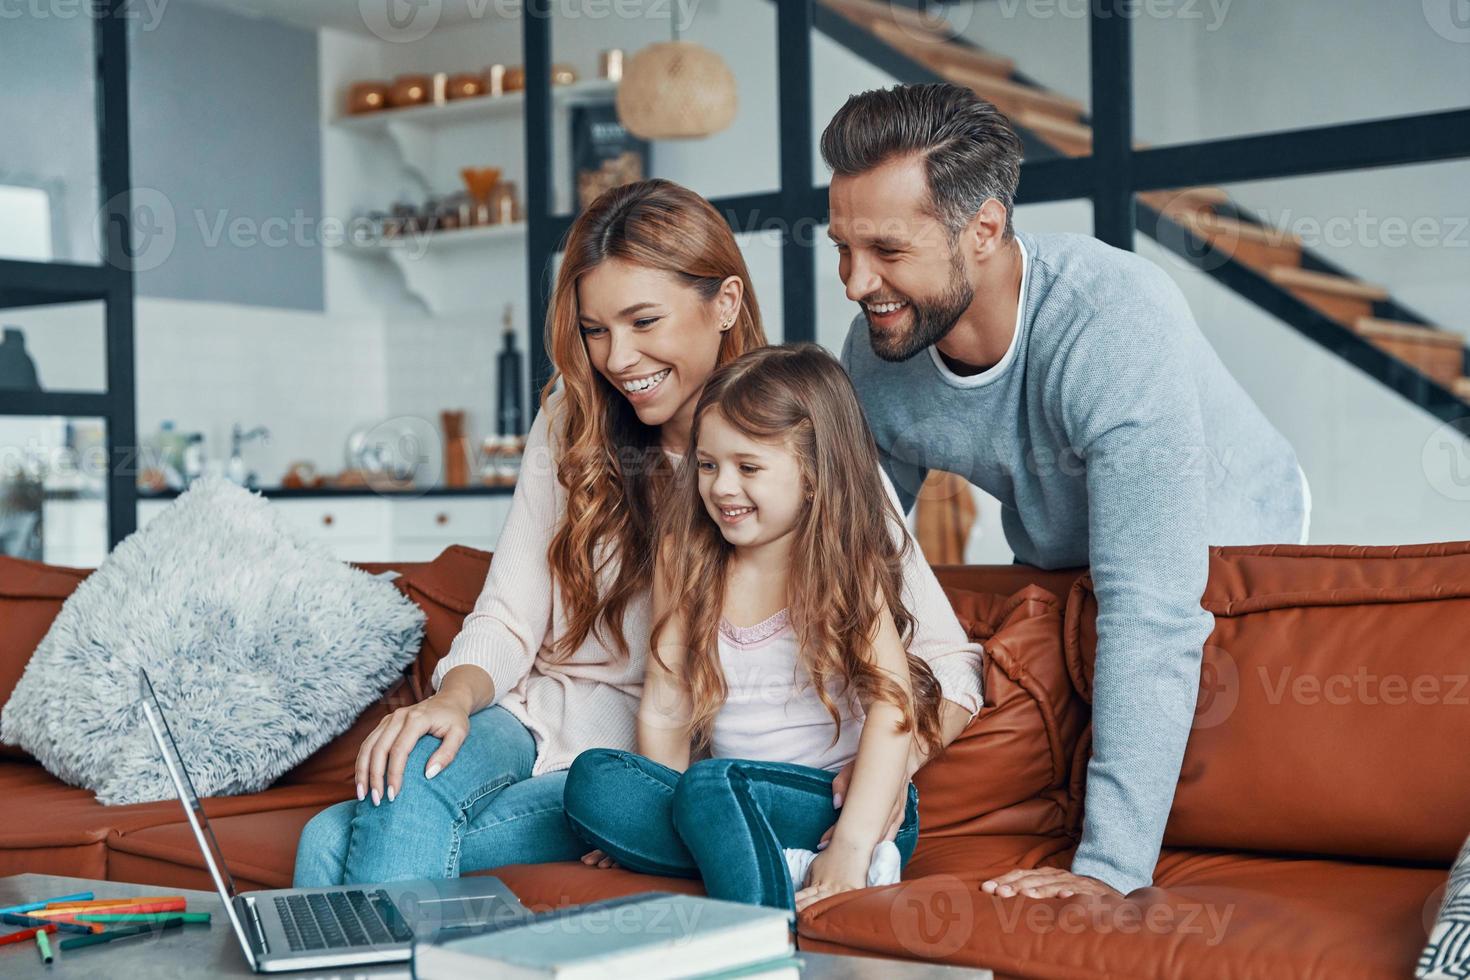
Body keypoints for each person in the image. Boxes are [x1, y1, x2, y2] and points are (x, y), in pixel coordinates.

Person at [291, 179, 981, 887]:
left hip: (623, 772)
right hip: (528, 719)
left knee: (327, 842)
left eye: (644, 322)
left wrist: (885, 779)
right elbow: (508, 615)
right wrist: (452, 698)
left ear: (726, 303)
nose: (617, 358)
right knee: (397, 776)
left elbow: (948, 662)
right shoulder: (574, 416)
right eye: (595, 330)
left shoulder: (798, 438)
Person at [820, 83, 1309, 899]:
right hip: (1059, 550)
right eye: (842, 246)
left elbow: (1151, 611)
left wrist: (1109, 875)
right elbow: (848, 565)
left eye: (887, 250)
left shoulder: (1111, 320)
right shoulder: (880, 347)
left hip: (1232, 541)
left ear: (984, 228)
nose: (854, 281)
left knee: (1204, 749)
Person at [563, 344, 946, 916]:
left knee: (711, 786)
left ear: (814, 476)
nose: (721, 488)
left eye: (748, 468)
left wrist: (850, 843)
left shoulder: (844, 567)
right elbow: (667, 704)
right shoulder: (684, 557)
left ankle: (777, 915)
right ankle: (769, 860)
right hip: (717, 798)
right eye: (710, 465)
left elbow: (894, 709)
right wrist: (659, 801)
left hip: (837, 810)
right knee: (594, 784)